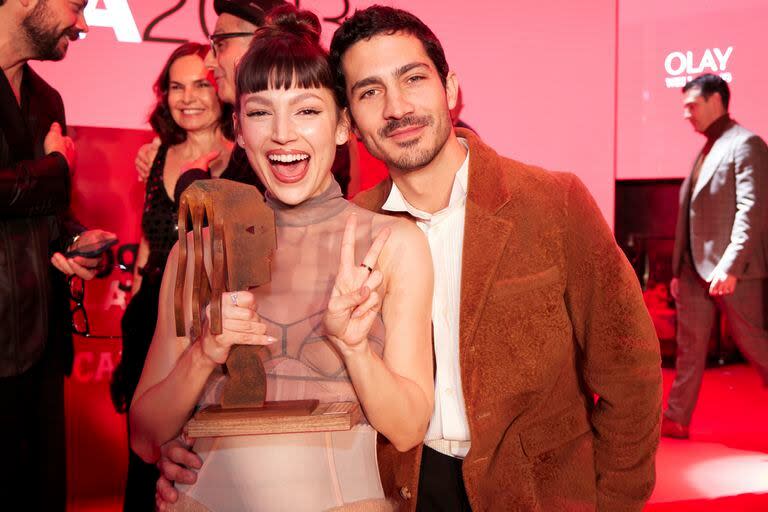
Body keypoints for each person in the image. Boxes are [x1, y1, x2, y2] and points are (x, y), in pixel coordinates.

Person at [157, 5, 663, 511]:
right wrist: (193, 443)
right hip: (401, 489)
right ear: (350, 121)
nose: (396, 108)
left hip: (534, 493)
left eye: (412, 79)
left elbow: (629, 370)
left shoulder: (551, 203)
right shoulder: (351, 229)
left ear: (451, 88)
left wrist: (613, 501)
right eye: (369, 92)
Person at [130, 6, 434, 511]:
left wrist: (355, 349)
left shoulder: (392, 245)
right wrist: (205, 351)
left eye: (307, 110)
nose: (282, 134)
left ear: (342, 126)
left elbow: (407, 429)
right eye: (260, 111)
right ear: (239, 128)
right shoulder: (201, 250)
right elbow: (144, 435)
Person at [0, 0, 115, 509]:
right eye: (77, 5)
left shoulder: (48, 98)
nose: (85, 24)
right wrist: (53, 167)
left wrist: (72, 242)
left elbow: (46, 214)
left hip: (40, 344)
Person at [110, 41, 234, 511]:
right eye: (176, 87)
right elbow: (147, 241)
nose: (188, 98)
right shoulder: (156, 156)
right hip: (148, 322)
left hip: (210, 326)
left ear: (220, 87)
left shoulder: (244, 156)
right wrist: (134, 304)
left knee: (196, 459)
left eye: (200, 84)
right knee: (144, 458)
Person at [663, 74, 768, 439]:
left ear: (716, 100)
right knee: (689, 349)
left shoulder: (746, 144)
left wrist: (731, 265)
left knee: (754, 342)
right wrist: (678, 269)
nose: (686, 114)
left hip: (731, 269)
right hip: (694, 268)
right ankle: (676, 418)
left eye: (691, 105)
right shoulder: (707, 148)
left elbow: (751, 210)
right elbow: (691, 211)